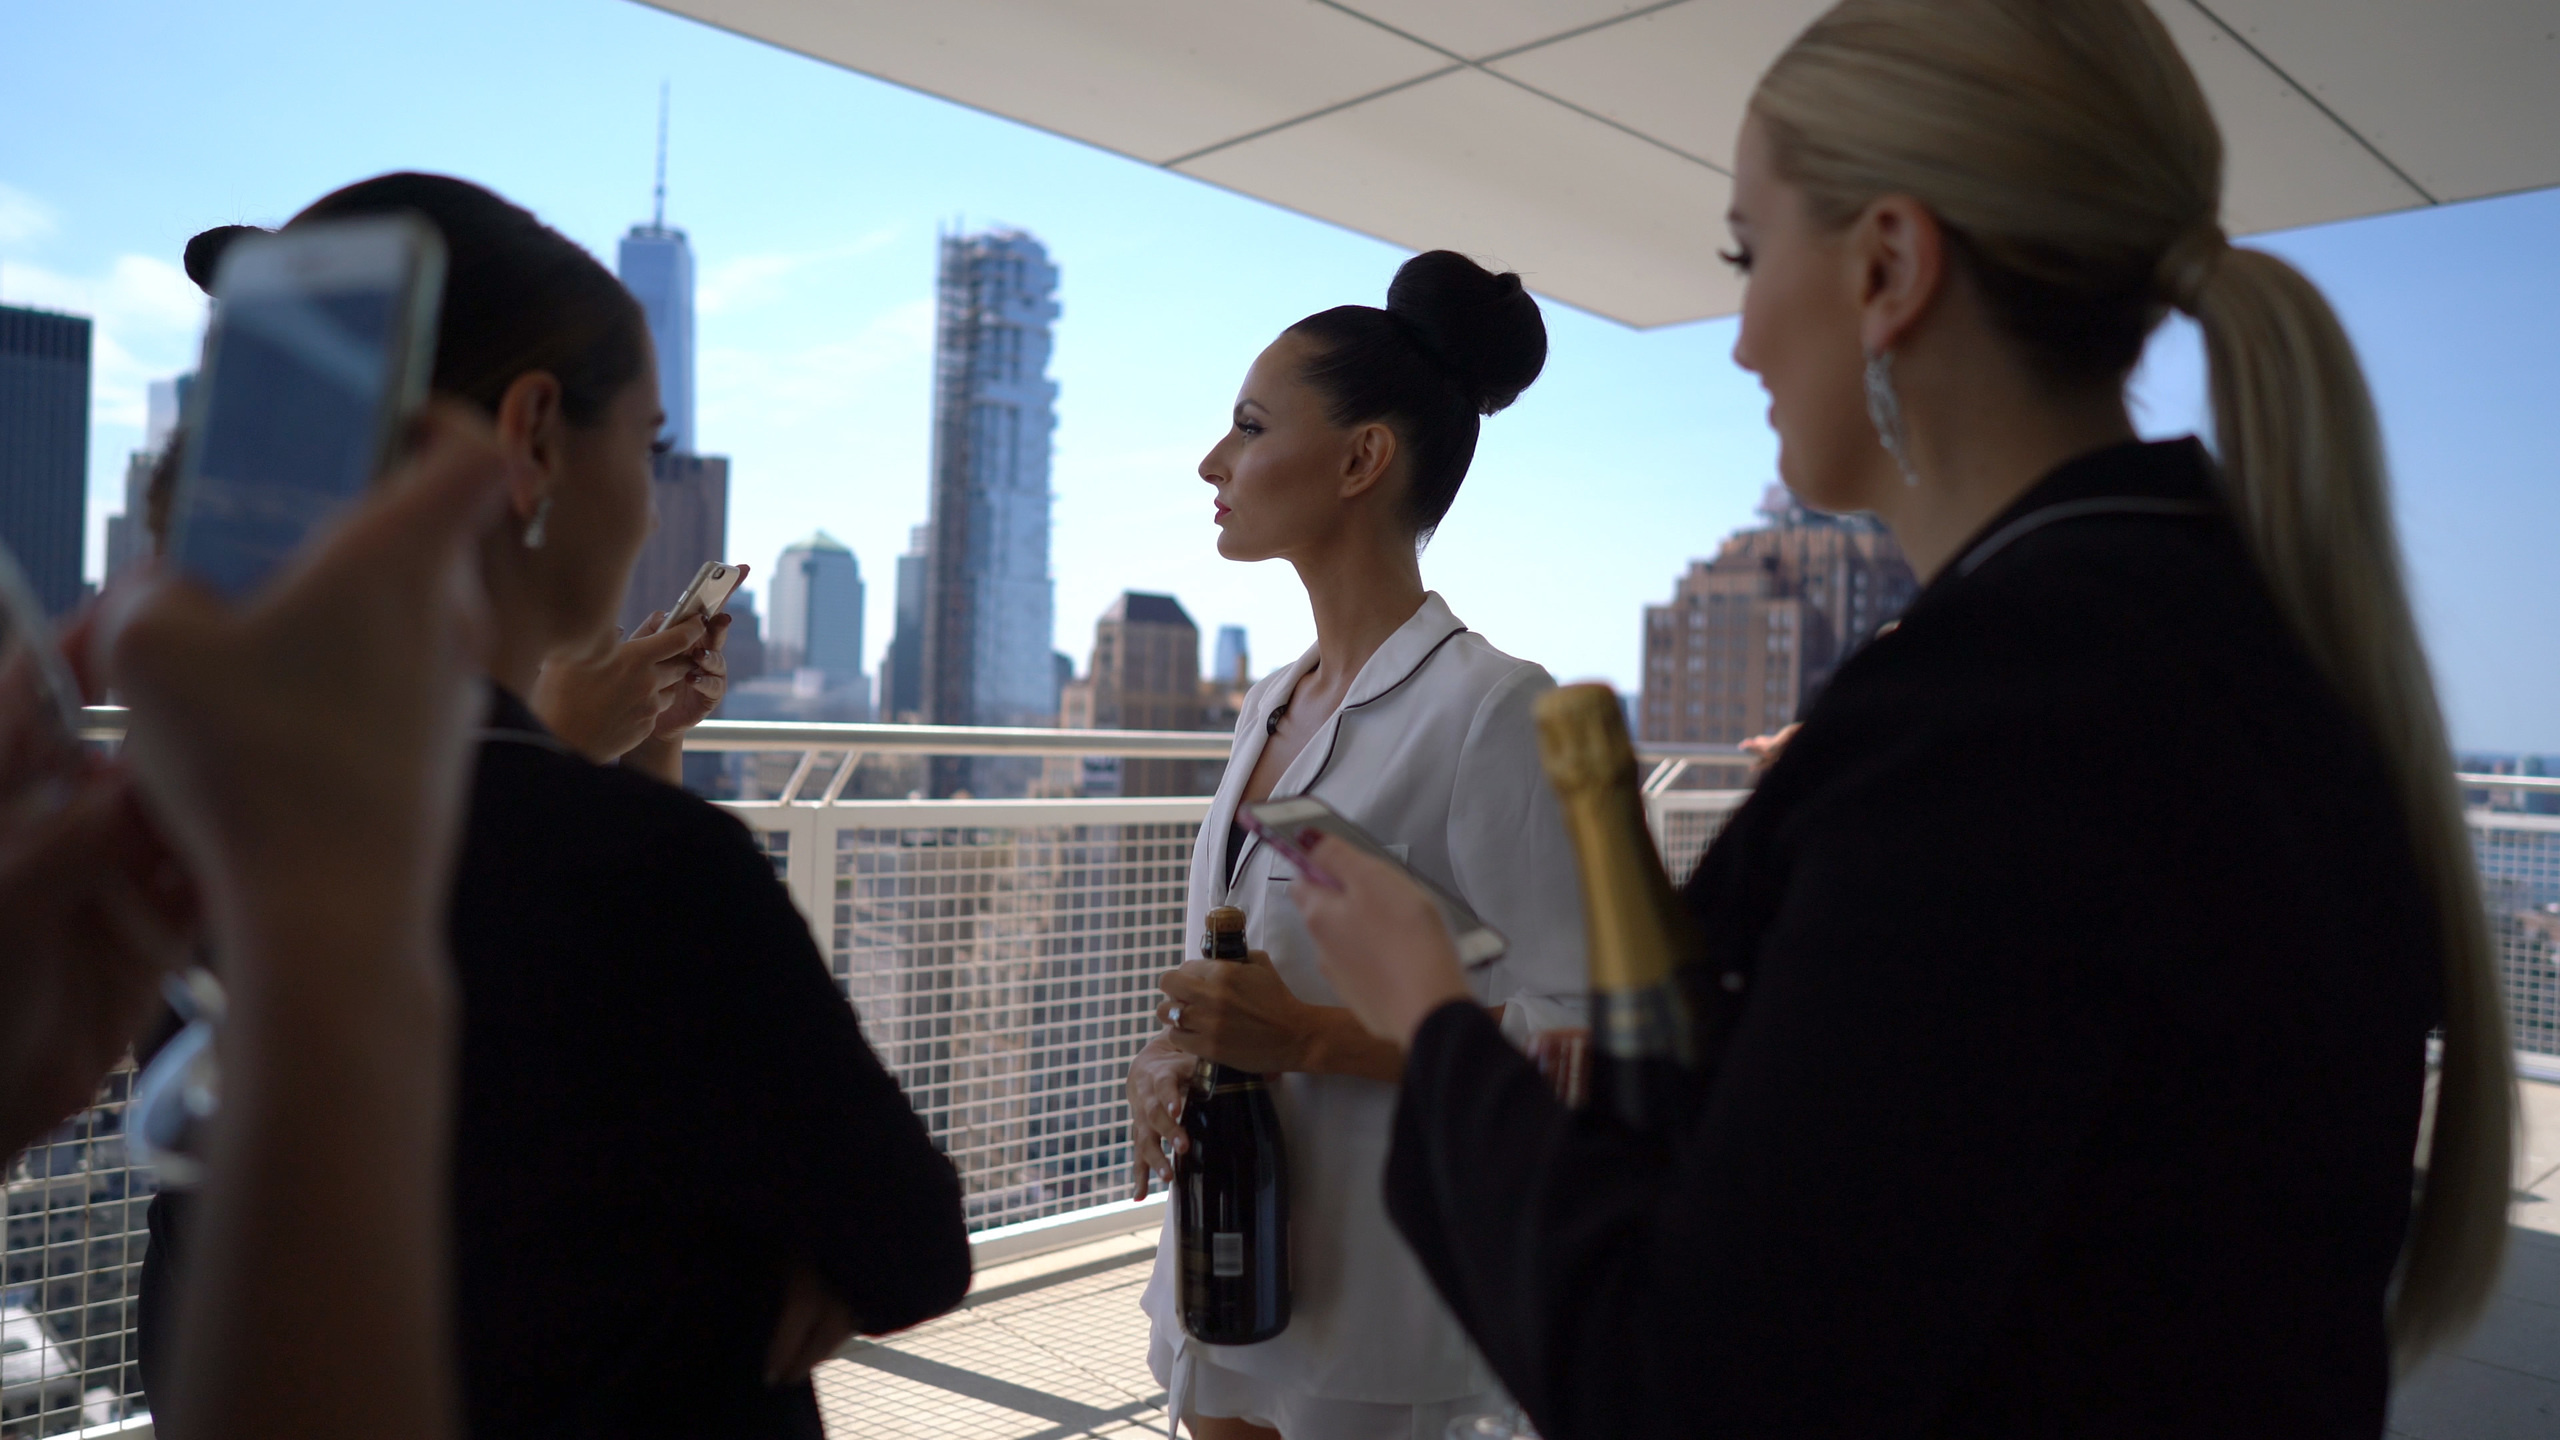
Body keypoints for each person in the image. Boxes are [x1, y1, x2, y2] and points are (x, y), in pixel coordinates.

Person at [1292, 1, 2514, 1435]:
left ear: (1888, 265)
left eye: (1752, 257)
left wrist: (1430, 1015)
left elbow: (1691, 1382)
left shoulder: (2001, 724)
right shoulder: (2221, 637)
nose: (1742, 339)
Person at [138, 175, 970, 1439]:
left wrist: (618, 757)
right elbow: (911, 1244)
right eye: (649, 443)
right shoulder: (651, 874)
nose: (653, 490)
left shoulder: (188, 822)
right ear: (531, 441)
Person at [1124, 251, 1589, 1439]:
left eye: (1247, 424)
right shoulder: (1271, 702)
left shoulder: (1494, 713)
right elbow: (1266, 963)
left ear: (1360, 458)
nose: (1210, 462)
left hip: (1389, 1322)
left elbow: (1583, 1049)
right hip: (1227, 1277)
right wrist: (1179, 1054)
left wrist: (1312, 1039)